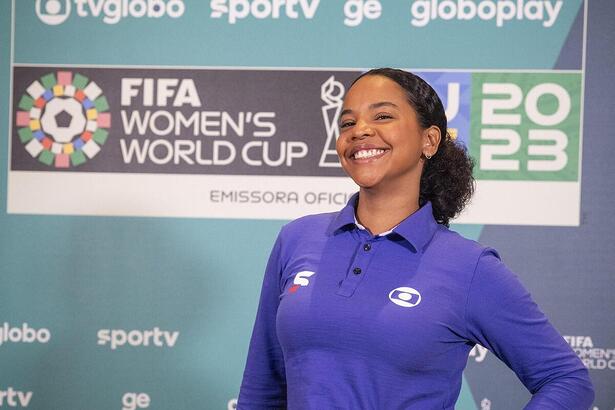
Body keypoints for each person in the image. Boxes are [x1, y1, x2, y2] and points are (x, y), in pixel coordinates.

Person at [237, 68, 594, 409]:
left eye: (382, 117)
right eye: (347, 122)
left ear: (429, 140)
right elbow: (261, 389)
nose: (359, 130)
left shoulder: (469, 267)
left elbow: (567, 380)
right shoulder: (297, 238)